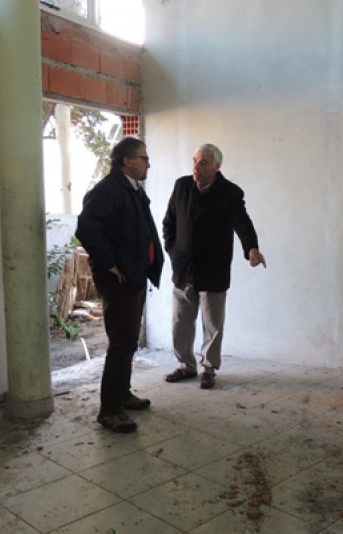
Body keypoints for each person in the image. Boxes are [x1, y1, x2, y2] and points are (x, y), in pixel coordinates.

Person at [75, 137, 163, 433]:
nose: (148, 164)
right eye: (144, 158)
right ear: (127, 160)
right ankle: (110, 411)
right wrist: (109, 263)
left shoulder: (131, 188)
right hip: (119, 279)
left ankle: (122, 395)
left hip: (134, 275)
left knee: (128, 341)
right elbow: (87, 228)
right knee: (122, 343)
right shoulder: (108, 190)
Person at [162, 143, 266, 390]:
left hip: (213, 268)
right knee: (180, 321)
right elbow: (169, 222)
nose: (196, 167)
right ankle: (185, 365)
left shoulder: (230, 193)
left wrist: (251, 247)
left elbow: (242, 222)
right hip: (184, 268)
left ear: (217, 167)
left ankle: (207, 369)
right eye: (195, 161)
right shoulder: (181, 186)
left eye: (203, 163)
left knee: (212, 325)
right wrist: (173, 251)